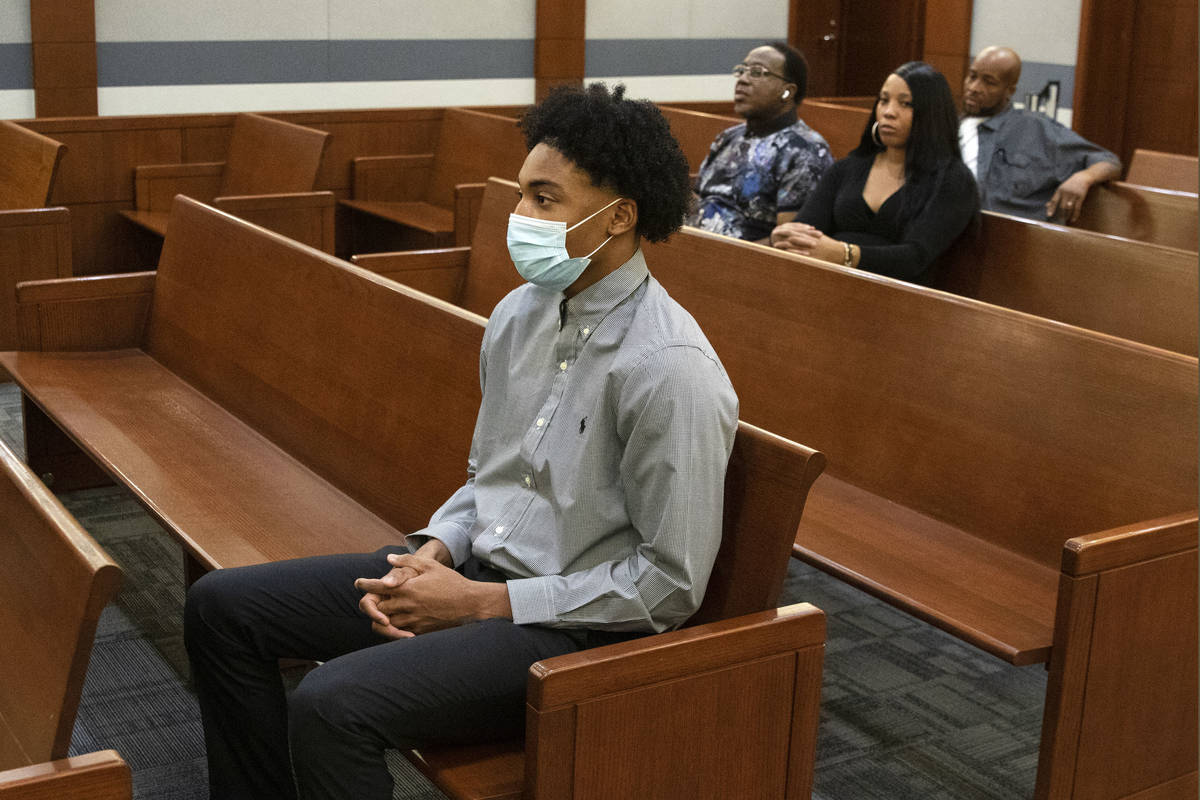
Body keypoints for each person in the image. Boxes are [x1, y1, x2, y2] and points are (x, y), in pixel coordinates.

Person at [183, 83, 739, 800]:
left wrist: (482, 605)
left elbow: (668, 584)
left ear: (619, 218)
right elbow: (490, 477)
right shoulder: (520, 314)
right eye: (520, 195)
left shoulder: (667, 369)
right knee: (223, 608)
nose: (519, 217)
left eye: (545, 199)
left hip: (571, 634)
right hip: (475, 573)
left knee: (331, 706)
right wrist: (435, 550)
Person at [769, 61, 978, 285]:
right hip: (828, 285)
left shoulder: (952, 179)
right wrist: (787, 236)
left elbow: (915, 258)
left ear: (931, 113)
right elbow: (807, 226)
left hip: (906, 301)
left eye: (905, 104)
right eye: (884, 100)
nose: (888, 112)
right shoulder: (848, 167)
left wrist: (845, 254)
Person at [685, 41, 833, 241]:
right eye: (742, 70)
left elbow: (788, 243)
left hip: (742, 263)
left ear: (787, 91)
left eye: (756, 72)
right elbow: (700, 203)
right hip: (691, 248)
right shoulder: (729, 137)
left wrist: (721, 258)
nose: (743, 80)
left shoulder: (806, 151)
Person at [959, 45, 1120, 222]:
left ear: (1010, 90)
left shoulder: (1035, 128)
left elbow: (1108, 161)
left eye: (989, 82)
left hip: (1010, 237)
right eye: (972, 76)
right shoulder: (952, 125)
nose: (974, 88)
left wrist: (1084, 178)